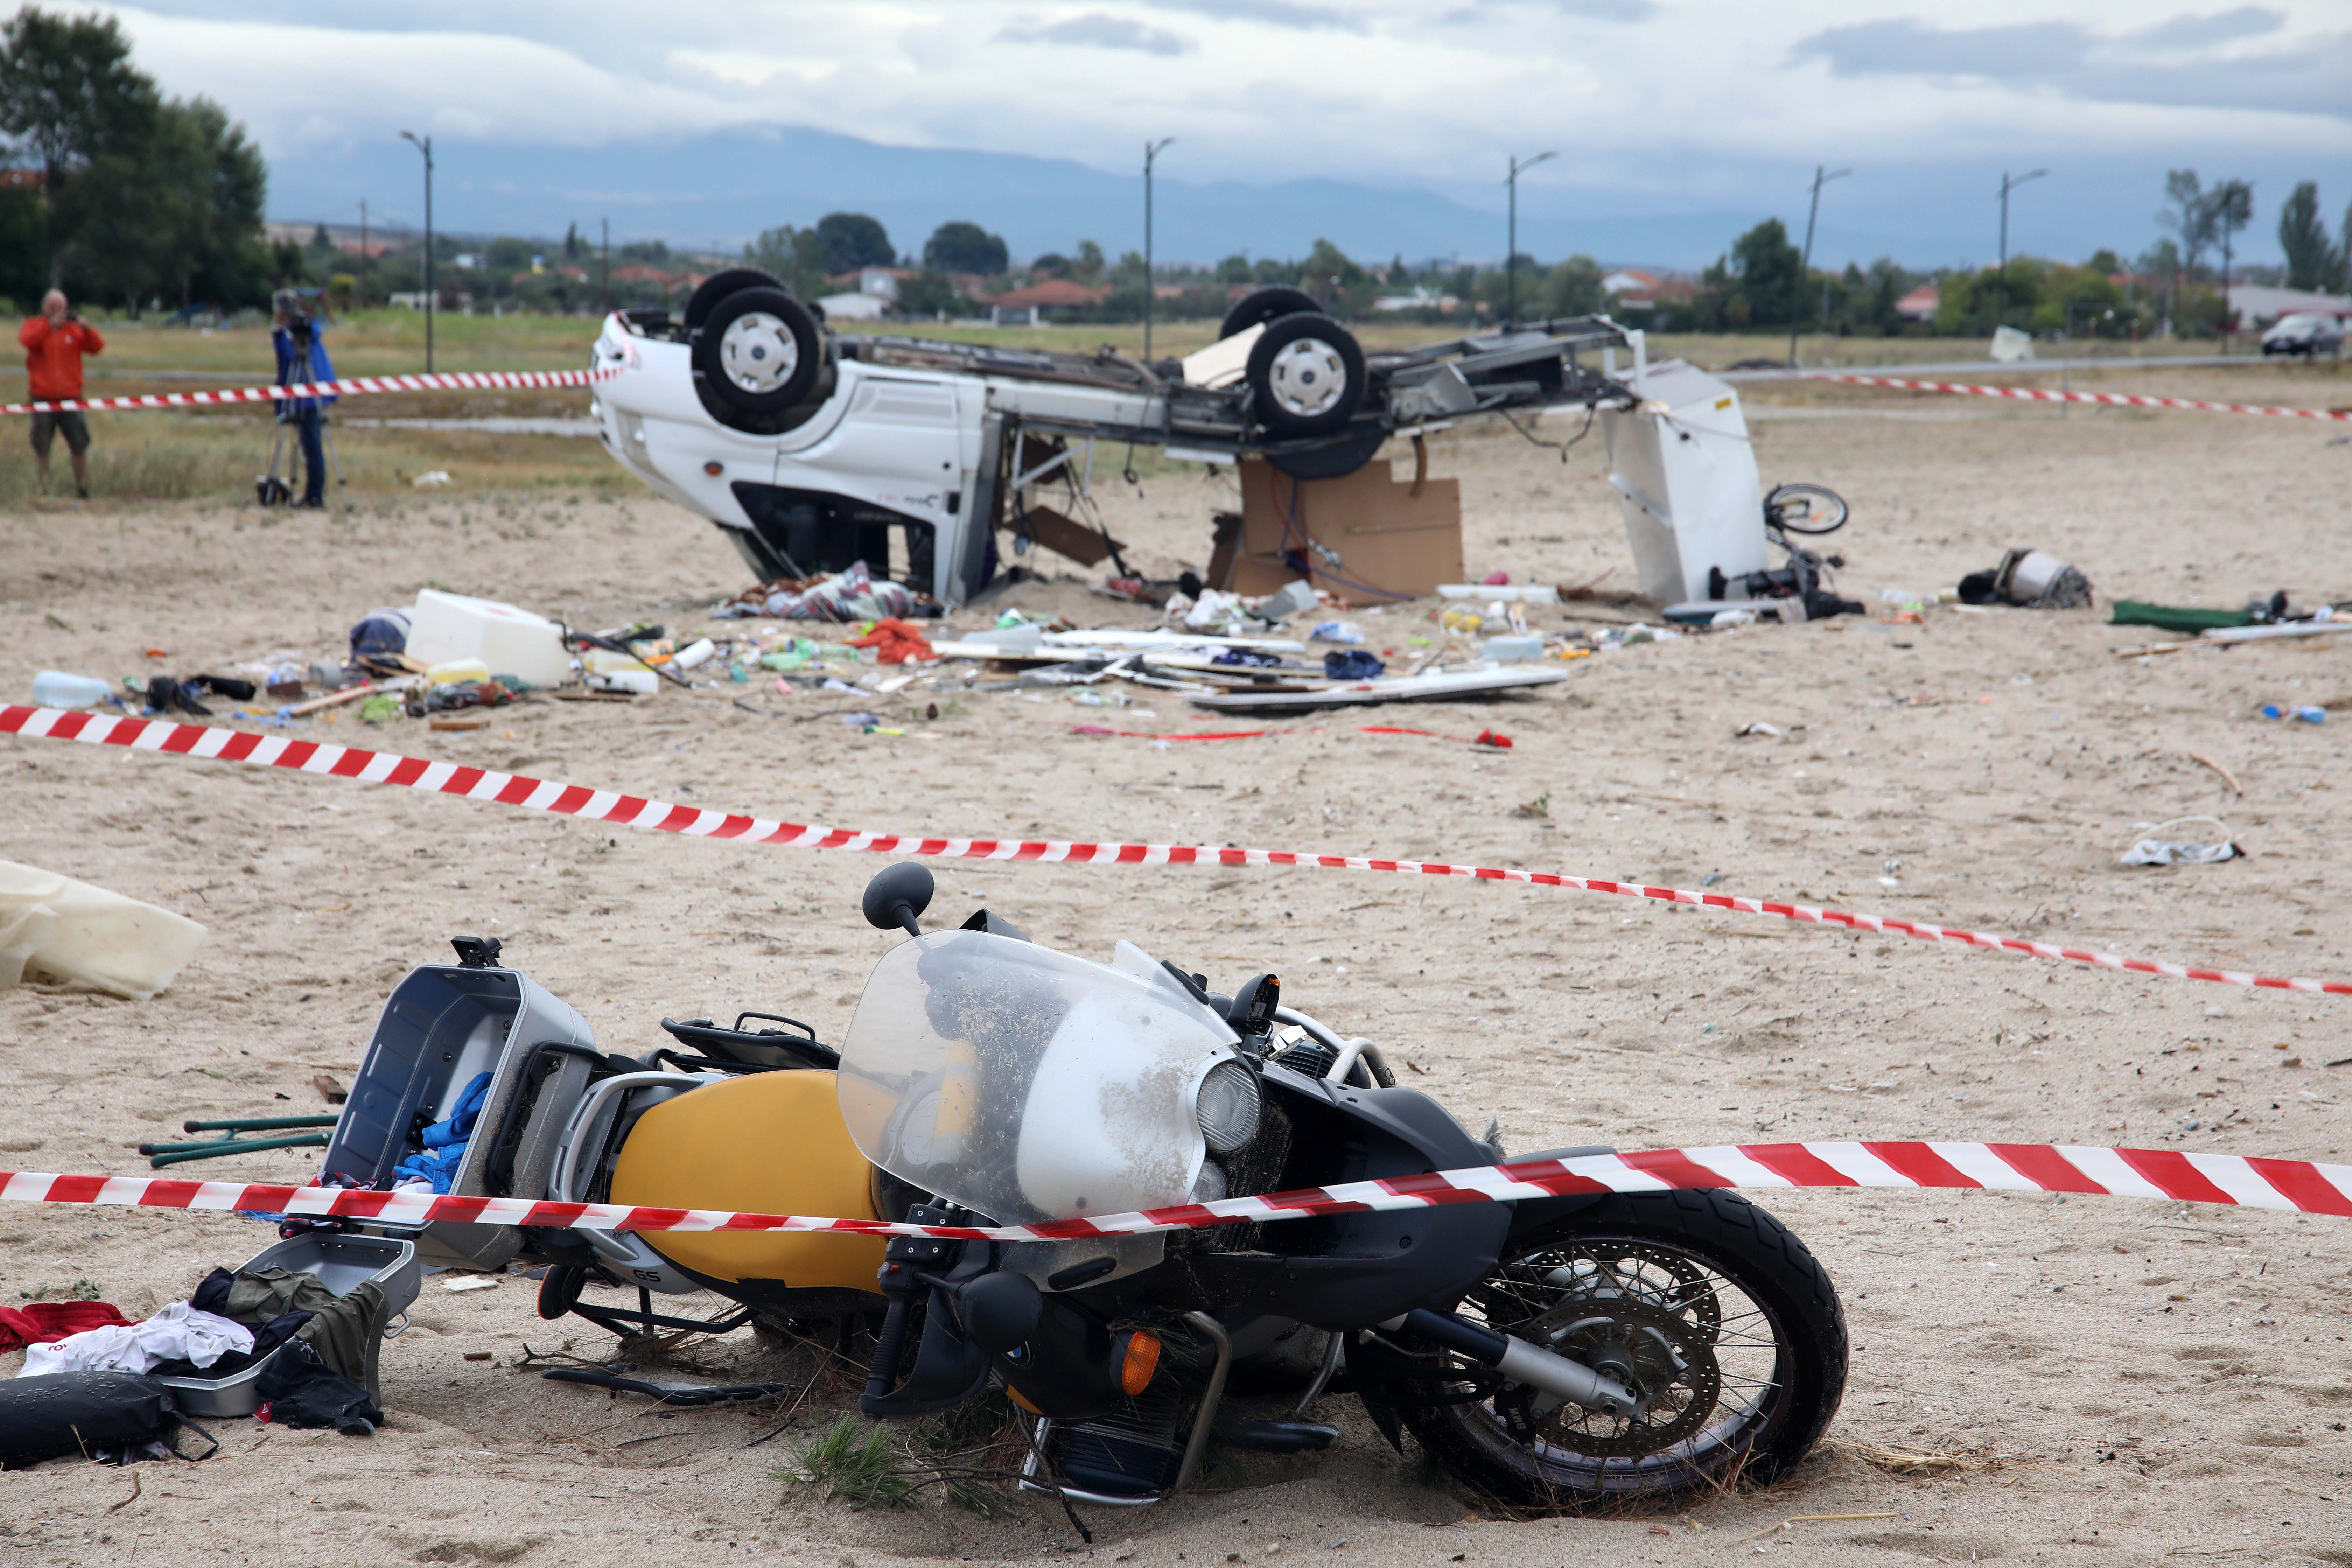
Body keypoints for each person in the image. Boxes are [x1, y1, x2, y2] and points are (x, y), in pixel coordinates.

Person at [19, 289, 103, 499]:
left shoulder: (73, 330)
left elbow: (96, 348)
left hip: (71, 398)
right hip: (42, 397)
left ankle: (82, 488)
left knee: (79, 444)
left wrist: (87, 329)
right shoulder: (34, 325)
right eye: (53, 307)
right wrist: (49, 326)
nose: (58, 311)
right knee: (42, 445)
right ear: (44, 307)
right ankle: (44, 489)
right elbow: (27, 341)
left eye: (61, 308)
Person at [271, 288, 336, 508]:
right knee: (312, 444)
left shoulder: (289, 336)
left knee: (312, 445)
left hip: (308, 396)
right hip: (317, 392)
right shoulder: (310, 329)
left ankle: (315, 495)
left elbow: (288, 364)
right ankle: (313, 493)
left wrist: (281, 403)